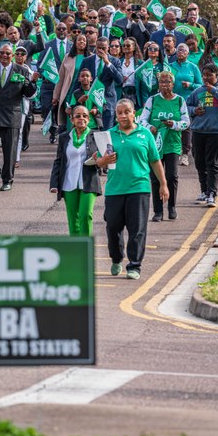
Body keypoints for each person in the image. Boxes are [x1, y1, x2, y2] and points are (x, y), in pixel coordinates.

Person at [96, 99, 169, 280]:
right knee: (113, 227)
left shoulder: (145, 134)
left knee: (137, 229)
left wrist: (163, 184)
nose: (123, 116)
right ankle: (116, 258)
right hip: (115, 189)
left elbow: (155, 160)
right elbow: (98, 161)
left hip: (139, 187)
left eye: (127, 112)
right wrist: (103, 161)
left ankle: (134, 266)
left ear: (134, 113)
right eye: (119, 112)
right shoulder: (109, 135)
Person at [0, 44, 38, 191]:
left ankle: (7, 180)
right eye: (2, 53)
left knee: (9, 150)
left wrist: (33, 82)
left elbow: (28, 93)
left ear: (12, 56)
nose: (5, 56)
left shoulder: (22, 71)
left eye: (8, 53)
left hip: (10, 115)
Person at [140, 71, 189, 221]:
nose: (164, 85)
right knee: (155, 177)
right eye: (162, 82)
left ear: (173, 84)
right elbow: (142, 120)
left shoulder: (179, 100)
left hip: (172, 143)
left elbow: (186, 122)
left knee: (171, 176)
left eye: (167, 82)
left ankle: (172, 207)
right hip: (155, 144)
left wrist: (173, 124)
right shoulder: (152, 100)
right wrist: (150, 127)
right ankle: (158, 211)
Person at [49, 105, 102, 236]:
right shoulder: (64, 137)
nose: (81, 118)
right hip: (69, 183)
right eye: (77, 116)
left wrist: (100, 160)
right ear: (71, 119)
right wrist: (54, 183)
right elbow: (59, 161)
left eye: (85, 116)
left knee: (85, 215)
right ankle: (76, 246)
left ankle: (86, 244)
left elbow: (104, 158)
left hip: (89, 182)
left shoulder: (97, 136)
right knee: (73, 219)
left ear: (89, 119)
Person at [186, 63, 218, 207]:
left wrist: (215, 91)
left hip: (217, 132)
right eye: (204, 75)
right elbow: (185, 107)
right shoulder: (197, 91)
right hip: (198, 131)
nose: (205, 78)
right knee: (199, 163)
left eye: (209, 75)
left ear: (216, 75)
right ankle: (204, 191)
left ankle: (212, 193)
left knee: (213, 164)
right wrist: (194, 110)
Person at [38, 22, 71, 142]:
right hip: (49, 84)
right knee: (47, 108)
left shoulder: (72, 46)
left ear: (67, 31)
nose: (61, 31)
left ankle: (60, 131)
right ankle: (53, 129)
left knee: (61, 110)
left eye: (64, 29)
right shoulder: (47, 45)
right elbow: (40, 63)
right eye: (59, 29)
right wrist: (44, 75)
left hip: (65, 84)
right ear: (55, 31)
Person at [53, 34, 89, 131]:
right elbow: (60, 78)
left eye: (84, 40)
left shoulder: (90, 57)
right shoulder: (68, 57)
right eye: (79, 40)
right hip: (69, 93)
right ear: (75, 42)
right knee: (71, 119)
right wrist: (56, 96)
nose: (81, 42)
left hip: (85, 94)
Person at [119, 37, 143, 107]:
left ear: (134, 47)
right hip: (121, 93)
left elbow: (143, 83)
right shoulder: (118, 62)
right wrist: (120, 79)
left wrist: (144, 101)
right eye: (123, 45)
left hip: (135, 95)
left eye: (128, 45)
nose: (125, 47)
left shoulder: (140, 63)